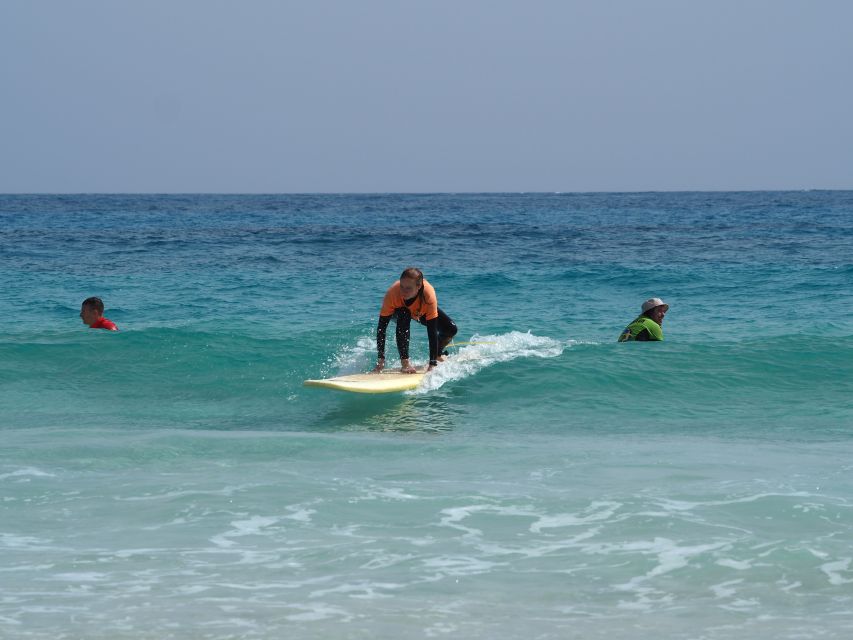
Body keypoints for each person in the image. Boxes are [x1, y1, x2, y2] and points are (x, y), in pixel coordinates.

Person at [373, 267, 457, 373]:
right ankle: (405, 363)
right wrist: (381, 360)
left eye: (408, 288)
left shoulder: (428, 295)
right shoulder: (393, 293)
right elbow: (381, 329)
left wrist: (432, 363)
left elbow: (432, 331)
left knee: (451, 329)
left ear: (419, 286)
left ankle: (437, 354)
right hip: (398, 312)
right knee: (404, 314)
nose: (403, 291)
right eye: (401, 286)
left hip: (419, 311)